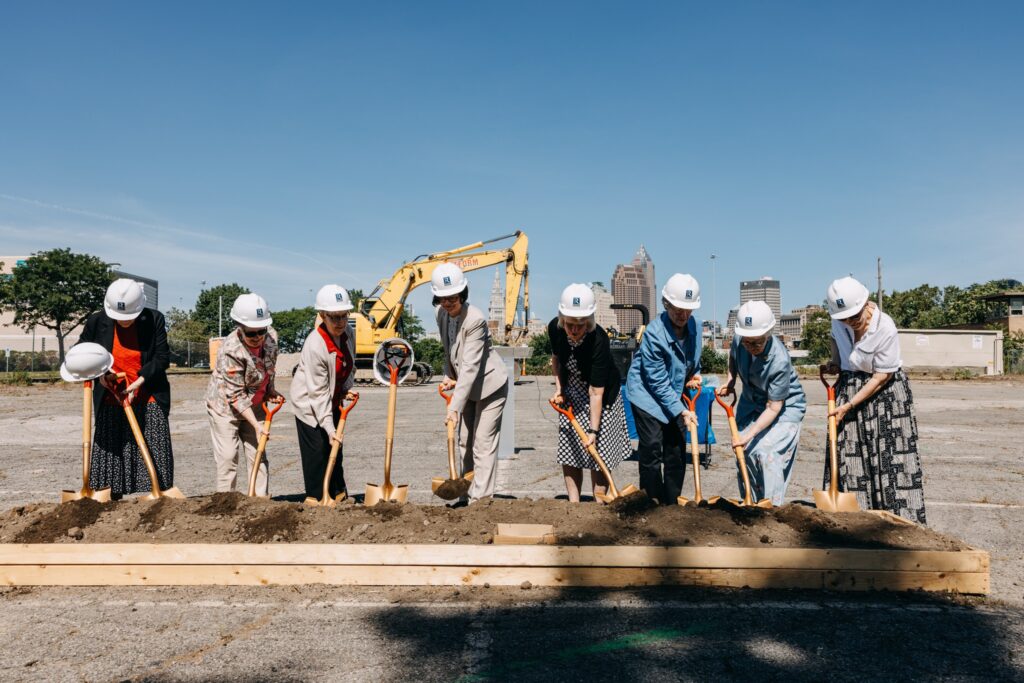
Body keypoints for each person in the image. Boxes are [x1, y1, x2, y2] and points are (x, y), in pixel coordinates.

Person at [822, 276, 926, 524]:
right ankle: (855, 521)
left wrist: (849, 404)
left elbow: (882, 376)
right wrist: (835, 362)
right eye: (844, 318)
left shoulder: (885, 327)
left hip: (886, 395)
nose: (849, 322)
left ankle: (899, 522)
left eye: (854, 316)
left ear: (866, 303)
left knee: (890, 457)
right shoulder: (840, 321)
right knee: (848, 452)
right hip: (850, 386)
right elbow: (836, 339)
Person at [78, 278, 173, 498]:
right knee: (112, 451)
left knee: (153, 448)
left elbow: (162, 358)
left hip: (147, 394)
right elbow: (81, 353)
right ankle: (110, 498)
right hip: (111, 396)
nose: (124, 322)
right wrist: (100, 374)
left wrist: (141, 380)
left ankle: (157, 498)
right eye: (120, 318)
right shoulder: (96, 322)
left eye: (130, 317)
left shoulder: (154, 319)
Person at [549, 284, 632, 502]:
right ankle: (574, 505)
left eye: (580, 325)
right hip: (572, 392)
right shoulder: (555, 329)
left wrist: (593, 431)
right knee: (570, 449)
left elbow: (596, 392)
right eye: (570, 325)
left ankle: (599, 503)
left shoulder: (599, 339)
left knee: (598, 452)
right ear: (562, 319)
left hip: (603, 397)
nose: (574, 330)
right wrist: (560, 390)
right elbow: (556, 360)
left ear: (589, 321)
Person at [434, 263, 508, 503]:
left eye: (452, 298)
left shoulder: (476, 319)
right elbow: (449, 350)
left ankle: (481, 500)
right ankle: (465, 494)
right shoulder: (440, 314)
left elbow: (470, 366)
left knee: (483, 442)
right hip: (465, 386)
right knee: (465, 441)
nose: (447, 303)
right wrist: (448, 374)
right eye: (443, 298)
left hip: (490, 386)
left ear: (462, 294)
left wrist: (454, 407)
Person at [625, 273, 703, 505]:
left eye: (688, 310)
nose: (683, 315)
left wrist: (693, 374)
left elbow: (692, 358)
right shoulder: (654, 334)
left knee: (677, 449)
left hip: (675, 392)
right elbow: (656, 380)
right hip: (646, 393)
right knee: (652, 447)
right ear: (667, 304)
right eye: (678, 309)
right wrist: (681, 411)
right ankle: (651, 501)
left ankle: (672, 502)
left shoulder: (695, 326)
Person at [718, 301, 806, 505]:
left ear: (768, 334)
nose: (750, 347)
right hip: (751, 404)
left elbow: (774, 407)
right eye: (747, 342)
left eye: (757, 343)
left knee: (766, 453)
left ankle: (771, 508)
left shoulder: (779, 360)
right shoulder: (742, 337)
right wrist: (731, 380)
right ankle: (751, 503)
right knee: (744, 450)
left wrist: (749, 434)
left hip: (783, 409)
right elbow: (733, 357)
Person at [205, 293, 280, 496]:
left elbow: (269, 368)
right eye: (251, 333)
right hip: (225, 407)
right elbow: (236, 396)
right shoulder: (231, 350)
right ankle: (226, 504)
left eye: (261, 331)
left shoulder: (271, 338)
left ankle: (259, 503)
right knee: (228, 457)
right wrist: (257, 426)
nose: (257, 337)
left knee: (258, 454)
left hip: (255, 404)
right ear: (239, 327)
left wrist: (270, 389)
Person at [291, 285, 358, 502]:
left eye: (343, 316)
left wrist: (347, 389)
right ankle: (317, 498)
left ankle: (339, 495)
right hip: (309, 404)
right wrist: (329, 429)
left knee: (337, 450)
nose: (340, 322)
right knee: (319, 450)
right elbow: (317, 395)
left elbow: (351, 364)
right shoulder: (315, 345)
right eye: (334, 317)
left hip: (334, 398)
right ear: (322, 315)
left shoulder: (348, 332)